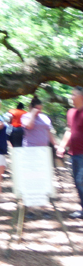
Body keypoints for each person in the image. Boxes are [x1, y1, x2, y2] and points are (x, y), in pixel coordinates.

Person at [56, 86, 83, 219]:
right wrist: (62, 147)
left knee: (81, 180)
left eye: (74, 95)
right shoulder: (71, 112)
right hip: (74, 153)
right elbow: (69, 130)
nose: (71, 97)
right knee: (78, 182)